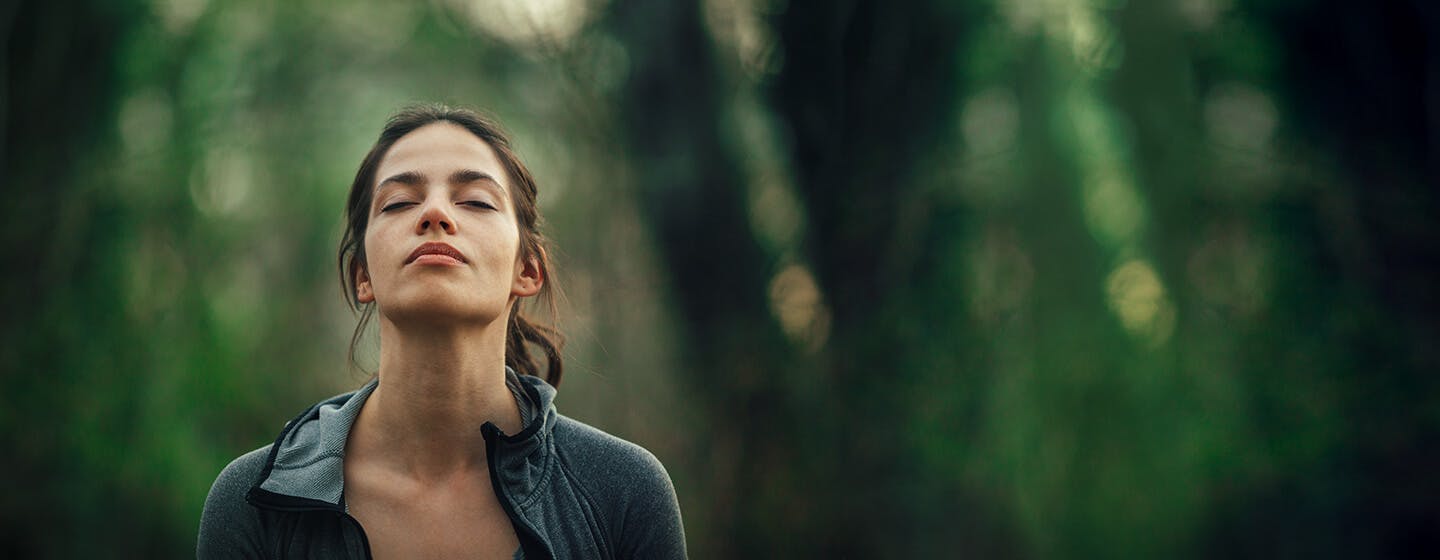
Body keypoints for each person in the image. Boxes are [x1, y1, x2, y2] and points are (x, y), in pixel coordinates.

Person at [197, 105, 687, 559]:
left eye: (475, 201)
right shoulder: (255, 502)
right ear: (362, 276)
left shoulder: (623, 493)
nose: (435, 214)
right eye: (398, 203)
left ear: (528, 270)